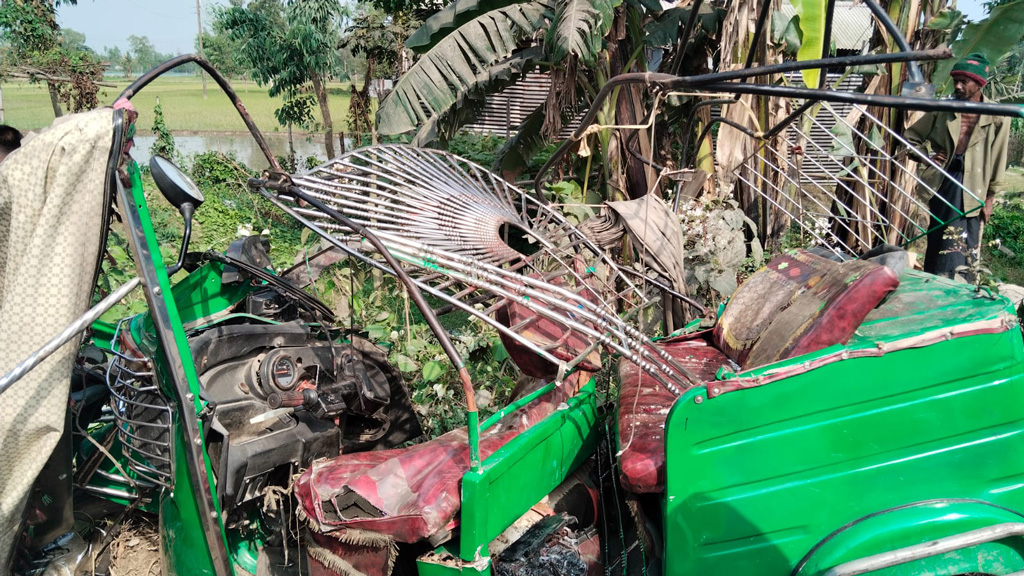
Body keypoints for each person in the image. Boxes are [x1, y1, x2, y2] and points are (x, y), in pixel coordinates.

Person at [905, 53, 1010, 279]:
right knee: (940, 237)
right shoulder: (944, 108)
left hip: (975, 185)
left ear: (980, 84)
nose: (958, 86)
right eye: (955, 80)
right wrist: (927, 157)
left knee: (968, 241)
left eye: (965, 81)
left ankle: (963, 286)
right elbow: (911, 138)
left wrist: (990, 198)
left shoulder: (998, 115)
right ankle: (936, 282)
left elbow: (998, 158)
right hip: (945, 180)